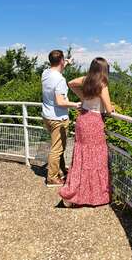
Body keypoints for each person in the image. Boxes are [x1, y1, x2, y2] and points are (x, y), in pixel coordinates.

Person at [59, 57, 114, 207]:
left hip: (83, 119)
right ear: (104, 70)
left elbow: (70, 83)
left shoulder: (86, 80)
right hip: (94, 122)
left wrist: (83, 98)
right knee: (96, 158)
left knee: (82, 157)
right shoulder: (102, 84)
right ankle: (93, 195)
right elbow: (109, 110)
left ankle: (75, 192)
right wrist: (111, 108)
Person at [42, 50, 81, 187]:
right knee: (57, 148)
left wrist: (67, 63)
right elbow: (60, 101)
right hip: (58, 118)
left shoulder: (46, 73)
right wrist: (76, 104)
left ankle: (61, 170)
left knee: (59, 146)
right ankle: (52, 178)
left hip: (47, 115)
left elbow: (56, 69)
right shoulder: (60, 80)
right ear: (61, 61)